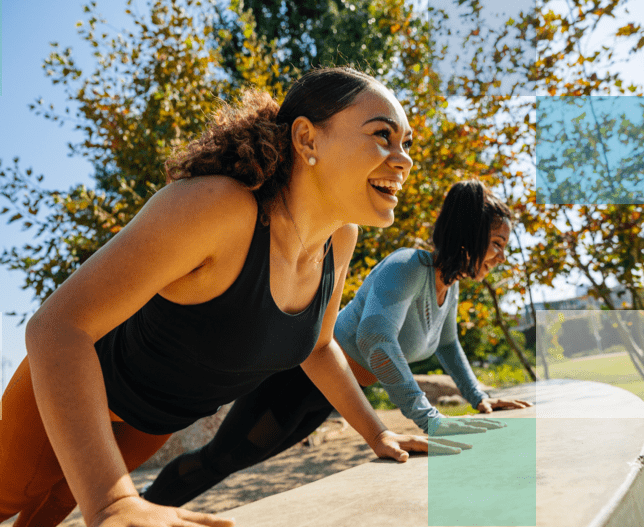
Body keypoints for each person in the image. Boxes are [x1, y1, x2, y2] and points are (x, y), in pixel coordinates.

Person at [0, 67, 457, 527]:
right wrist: (112, 501)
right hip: (69, 384)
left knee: (54, 505)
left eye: (406, 142)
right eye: (383, 136)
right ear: (306, 138)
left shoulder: (339, 239)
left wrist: (376, 434)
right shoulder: (216, 207)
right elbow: (56, 328)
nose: (404, 158)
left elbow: (320, 348)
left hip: (152, 420)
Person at [141, 179, 533, 508]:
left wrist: (478, 395)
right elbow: (376, 340)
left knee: (236, 459)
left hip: (333, 394)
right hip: (298, 379)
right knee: (223, 458)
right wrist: (429, 419)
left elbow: (448, 345)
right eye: (497, 243)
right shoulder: (409, 267)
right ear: (471, 234)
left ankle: (147, 509)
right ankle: (141, 506)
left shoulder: (449, 287)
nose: (501, 255)